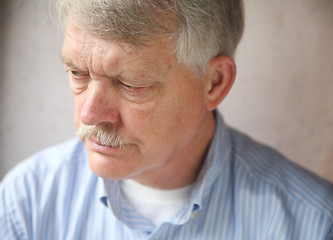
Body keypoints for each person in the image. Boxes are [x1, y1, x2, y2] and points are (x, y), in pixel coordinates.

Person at [1, 0, 333, 239]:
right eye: (77, 73)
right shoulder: (23, 204)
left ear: (213, 82)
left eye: (132, 84)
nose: (89, 114)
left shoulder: (314, 224)